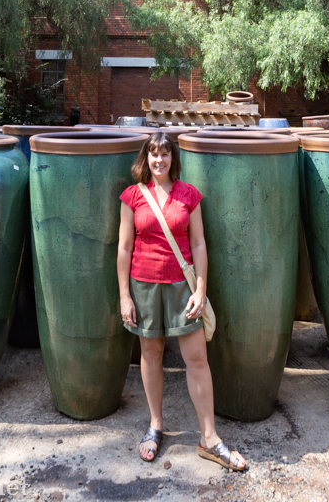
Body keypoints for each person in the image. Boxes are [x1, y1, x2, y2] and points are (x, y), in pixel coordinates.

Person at [117, 131, 247, 471]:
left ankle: (209, 438)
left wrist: (201, 289)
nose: (159, 160)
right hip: (143, 285)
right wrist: (124, 297)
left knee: (197, 357)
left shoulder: (189, 195)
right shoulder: (132, 196)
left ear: (173, 158)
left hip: (182, 287)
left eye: (165, 154)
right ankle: (155, 424)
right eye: (153, 154)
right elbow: (124, 249)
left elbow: (200, 244)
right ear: (145, 159)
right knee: (151, 354)